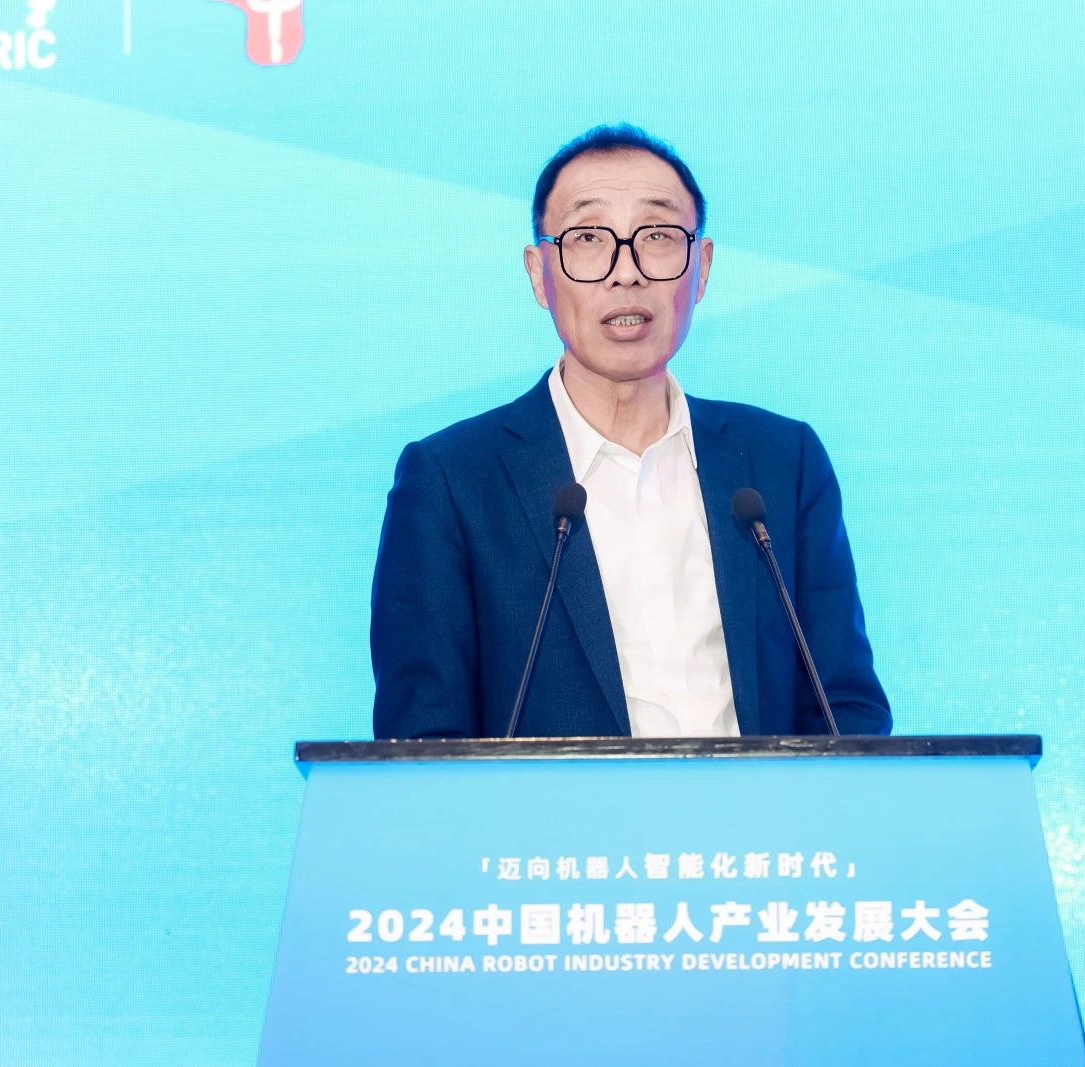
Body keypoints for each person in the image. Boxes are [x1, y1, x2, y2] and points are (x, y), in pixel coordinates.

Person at [371, 124, 890, 739]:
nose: (626, 272)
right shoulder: (452, 482)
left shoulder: (782, 463)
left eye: (658, 237)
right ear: (539, 274)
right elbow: (423, 744)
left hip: (754, 807)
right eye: (589, 238)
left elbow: (845, 711)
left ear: (701, 269)